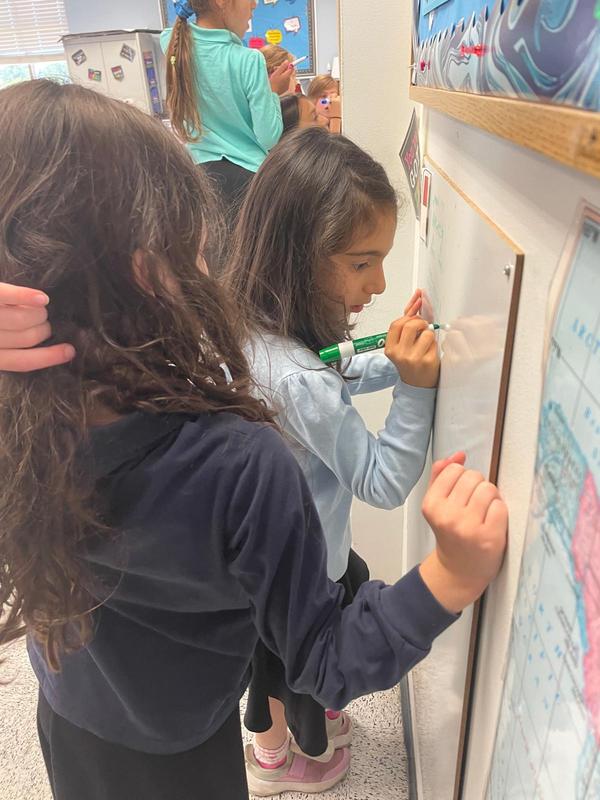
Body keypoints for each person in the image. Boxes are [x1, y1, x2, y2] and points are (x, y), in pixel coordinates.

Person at [0, 81, 508, 800]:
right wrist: (450, 574)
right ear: (154, 274)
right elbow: (326, 657)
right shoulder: (240, 461)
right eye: (197, 243)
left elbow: (313, 382)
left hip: (73, 718)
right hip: (181, 743)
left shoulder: (22, 418)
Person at [222, 126, 442, 793]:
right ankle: (292, 763)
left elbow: (332, 371)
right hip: (305, 570)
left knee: (270, 667)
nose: (377, 282)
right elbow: (381, 481)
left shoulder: (256, 328)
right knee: (291, 673)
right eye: (361, 262)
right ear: (300, 256)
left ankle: (269, 748)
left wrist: (395, 358)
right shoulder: (298, 379)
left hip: (258, 569)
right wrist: (416, 388)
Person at [162, 0, 292, 209]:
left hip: (197, 177)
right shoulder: (250, 60)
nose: (255, 5)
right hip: (247, 183)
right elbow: (268, 137)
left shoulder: (171, 43)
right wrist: (274, 92)